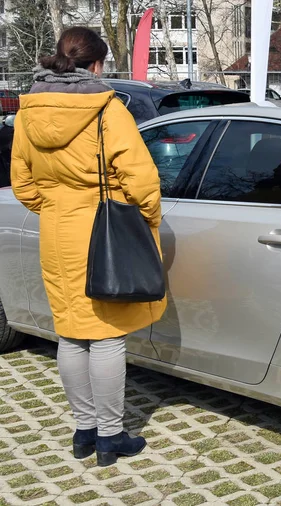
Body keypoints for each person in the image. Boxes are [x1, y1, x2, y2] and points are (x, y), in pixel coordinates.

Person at [10, 27, 167, 466]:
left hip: (56, 232)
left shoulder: (28, 111)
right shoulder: (107, 110)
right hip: (103, 230)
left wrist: (55, 205)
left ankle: (84, 432)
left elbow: (22, 181)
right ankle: (111, 436)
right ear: (96, 64)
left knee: (71, 333)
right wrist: (146, 220)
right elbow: (142, 179)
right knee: (106, 334)